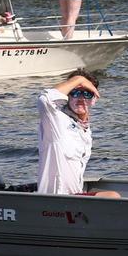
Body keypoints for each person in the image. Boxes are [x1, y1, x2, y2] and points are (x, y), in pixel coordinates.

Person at [35, 69, 119, 197]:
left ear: (94, 99)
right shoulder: (56, 119)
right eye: (75, 92)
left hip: (75, 197)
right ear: (67, 95)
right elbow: (45, 99)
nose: (80, 98)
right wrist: (78, 80)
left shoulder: (84, 129)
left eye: (87, 93)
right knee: (113, 196)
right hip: (54, 199)